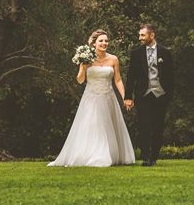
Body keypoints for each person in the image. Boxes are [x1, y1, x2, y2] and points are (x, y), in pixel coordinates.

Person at [48, 29, 135, 167]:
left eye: (106, 41)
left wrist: (126, 97)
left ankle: (109, 155)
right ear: (94, 43)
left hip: (108, 98)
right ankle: (94, 155)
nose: (104, 43)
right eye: (101, 41)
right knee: (93, 126)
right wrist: (82, 68)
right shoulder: (87, 58)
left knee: (107, 127)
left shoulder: (113, 59)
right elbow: (80, 80)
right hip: (91, 98)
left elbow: (117, 80)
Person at [124, 24, 174, 166]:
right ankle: (145, 157)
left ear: (152, 36)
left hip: (160, 94)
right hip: (143, 95)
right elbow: (131, 76)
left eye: (142, 35)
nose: (140, 38)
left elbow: (171, 76)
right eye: (140, 35)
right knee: (144, 126)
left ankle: (154, 157)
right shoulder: (136, 53)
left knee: (158, 126)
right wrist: (128, 96)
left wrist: (168, 95)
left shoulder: (165, 52)